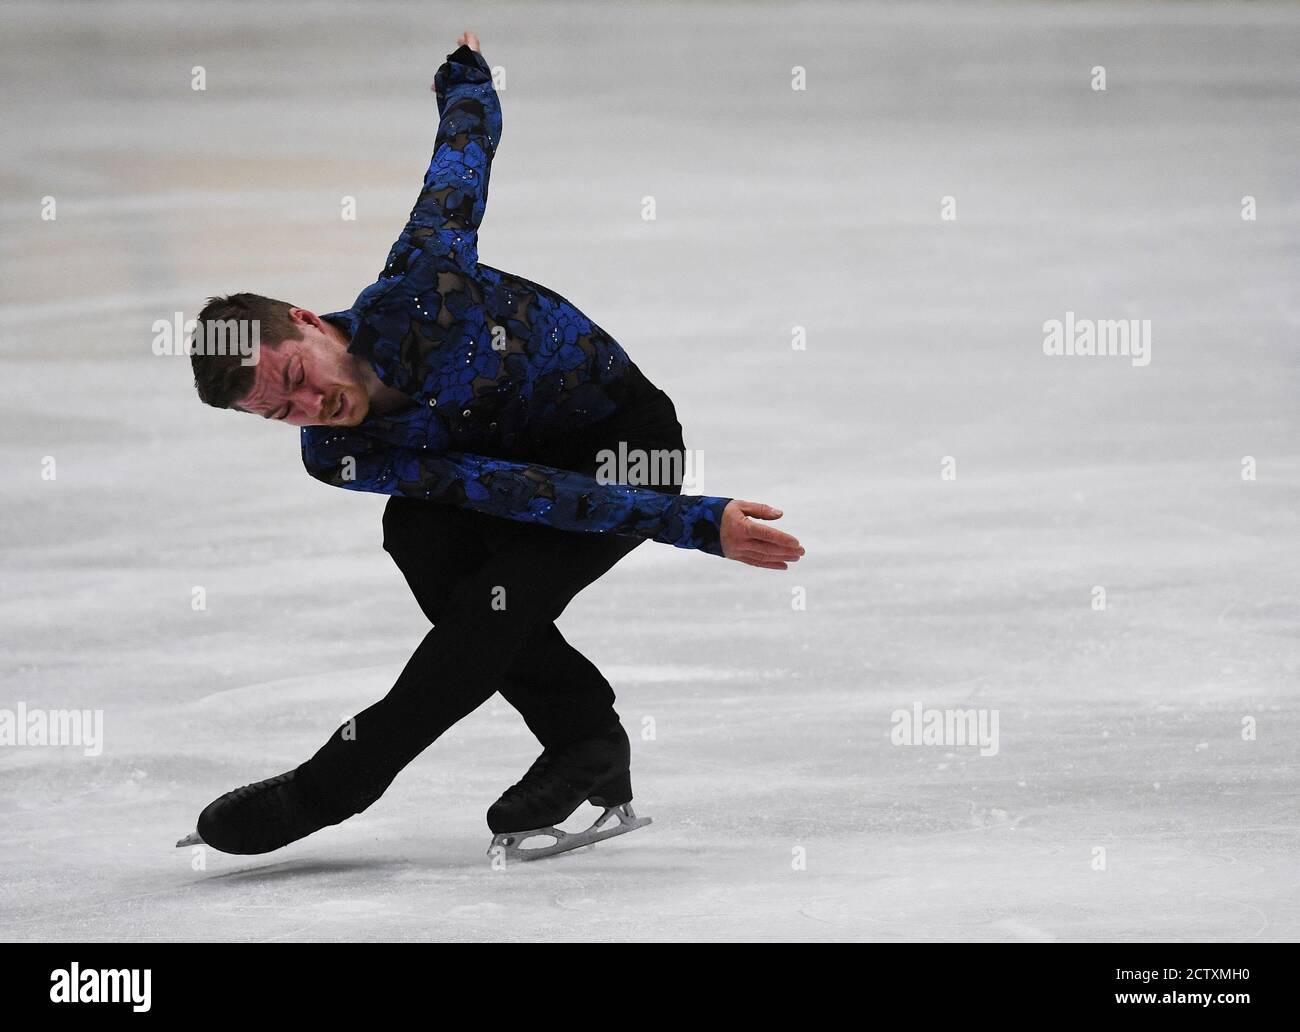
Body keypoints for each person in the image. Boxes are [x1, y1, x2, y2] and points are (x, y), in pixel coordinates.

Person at [183, 30, 804, 860]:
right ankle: (585, 737)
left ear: (305, 319)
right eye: (281, 412)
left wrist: (463, 75)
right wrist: (692, 525)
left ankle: (339, 783)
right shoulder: (339, 454)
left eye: (295, 375)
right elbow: (503, 490)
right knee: (420, 535)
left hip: (626, 445)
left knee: (494, 597)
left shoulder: (421, 291)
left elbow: (461, 161)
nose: (311, 405)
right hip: (526, 475)